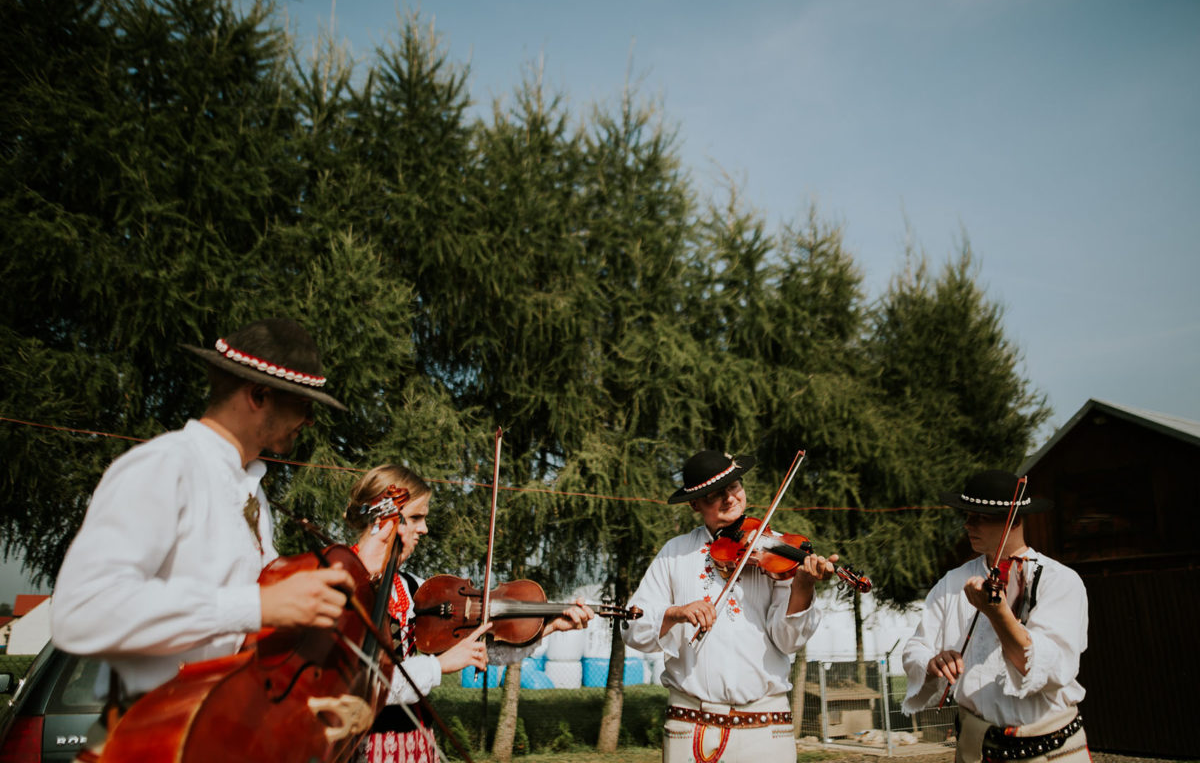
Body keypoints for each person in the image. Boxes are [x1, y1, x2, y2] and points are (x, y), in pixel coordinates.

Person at [50, 318, 356, 758]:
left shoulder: (252, 491)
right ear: (259, 395)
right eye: (303, 405)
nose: (309, 421)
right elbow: (80, 611)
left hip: (214, 737)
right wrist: (256, 606)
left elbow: (243, 637)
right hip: (147, 740)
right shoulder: (164, 466)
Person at [345, 463, 594, 763]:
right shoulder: (342, 586)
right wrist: (439, 666)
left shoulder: (413, 588)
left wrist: (549, 626)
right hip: (360, 748)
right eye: (415, 518)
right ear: (385, 520)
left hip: (414, 743)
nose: (424, 528)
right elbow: (365, 685)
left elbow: (482, 648)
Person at [621, 450, 839, 763]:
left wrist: (803, 585)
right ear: (695, 504)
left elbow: (788, 639)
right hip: (690, 725)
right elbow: (633, 627)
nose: (729, 498)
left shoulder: (778, 548)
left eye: (734, 486)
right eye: (714, 495)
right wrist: (674, 613)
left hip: (766, 729)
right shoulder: (675, 553)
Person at [902, 469, 1089, 763]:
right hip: (975, 748)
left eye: (980, 517)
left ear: (1012, 520)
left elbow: (1049, 670)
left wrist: (999, 614)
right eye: (967, 515)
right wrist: (931, 662)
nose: (967, 524)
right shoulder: (953, 581)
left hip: (1049, 750)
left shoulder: (1060, 581)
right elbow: (915, 646)